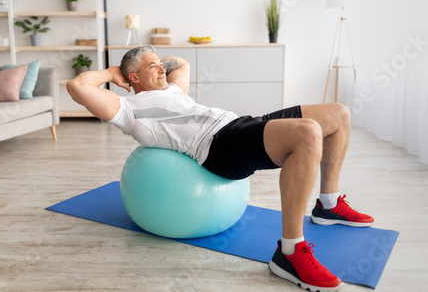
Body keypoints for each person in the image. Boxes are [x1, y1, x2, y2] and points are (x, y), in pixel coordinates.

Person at [67, 45, 374, 291]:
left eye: (160, 64)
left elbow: (182, 63)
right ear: (132, 78)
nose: (162, 68)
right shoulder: (128, 110)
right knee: (307, 132)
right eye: (152, 66)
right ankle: (290, 252)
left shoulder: (172, 90)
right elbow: (77, 85)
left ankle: (328, 205)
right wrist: (112, 72)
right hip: (219, 147)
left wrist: (153, 62)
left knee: (340, 114)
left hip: (241, 123)